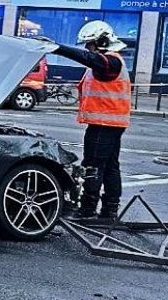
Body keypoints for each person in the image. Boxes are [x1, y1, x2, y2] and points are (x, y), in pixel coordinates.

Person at [56, 21, 131, 220]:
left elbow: (89, 58)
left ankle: (88, 209)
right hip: (111, 123)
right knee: (110, 166)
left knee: (93, 166)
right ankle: (109, 210)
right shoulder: (109, 63)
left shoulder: (111, 62)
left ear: (102, 42)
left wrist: (58, 48)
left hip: (103, 124)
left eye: (89, 44)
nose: (87, 48)